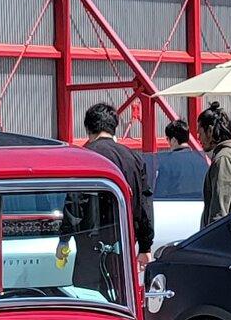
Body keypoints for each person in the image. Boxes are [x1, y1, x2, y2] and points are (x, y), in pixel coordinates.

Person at [81, 102, 155, 256]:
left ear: (88, 129)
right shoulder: (134, 158)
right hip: (125, 241)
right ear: (114, 127)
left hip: (89, 243)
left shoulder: (84, 157)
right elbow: (144, 204)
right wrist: (145, 246)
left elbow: (75, 202)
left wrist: (64, 239)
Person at [152, 116, 209, 214]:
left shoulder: (166, 163)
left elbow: (159, 193)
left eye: (167, 139)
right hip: (202, 210)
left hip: (176, 212)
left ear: (173, 140)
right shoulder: (202, 160)